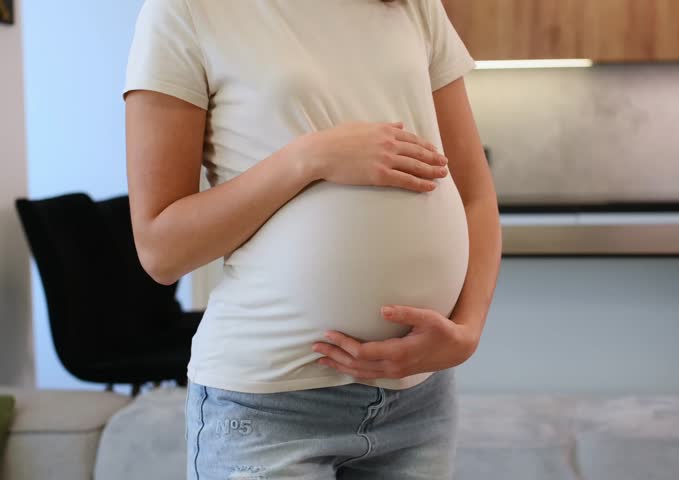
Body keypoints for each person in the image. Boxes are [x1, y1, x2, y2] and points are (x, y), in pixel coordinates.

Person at [123, 0, 501, 478]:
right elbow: (161, 249)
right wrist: (306, 159)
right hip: (270, 409)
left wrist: (467, 331)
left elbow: (474, 195)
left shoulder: (413, 4)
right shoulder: (185, 10)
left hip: (419, 404)